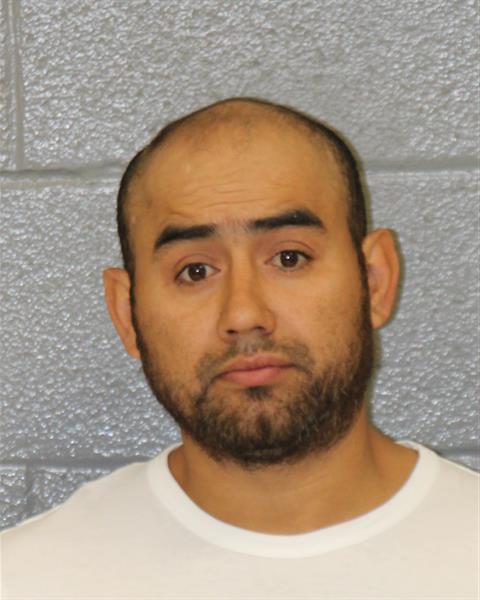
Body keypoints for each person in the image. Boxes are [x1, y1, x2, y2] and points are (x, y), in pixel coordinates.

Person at [1, 98, 477, 599]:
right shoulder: (28, 581)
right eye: (195, 271)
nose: (244, 314)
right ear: (127, 314)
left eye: (289, 258)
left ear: (375, 282)